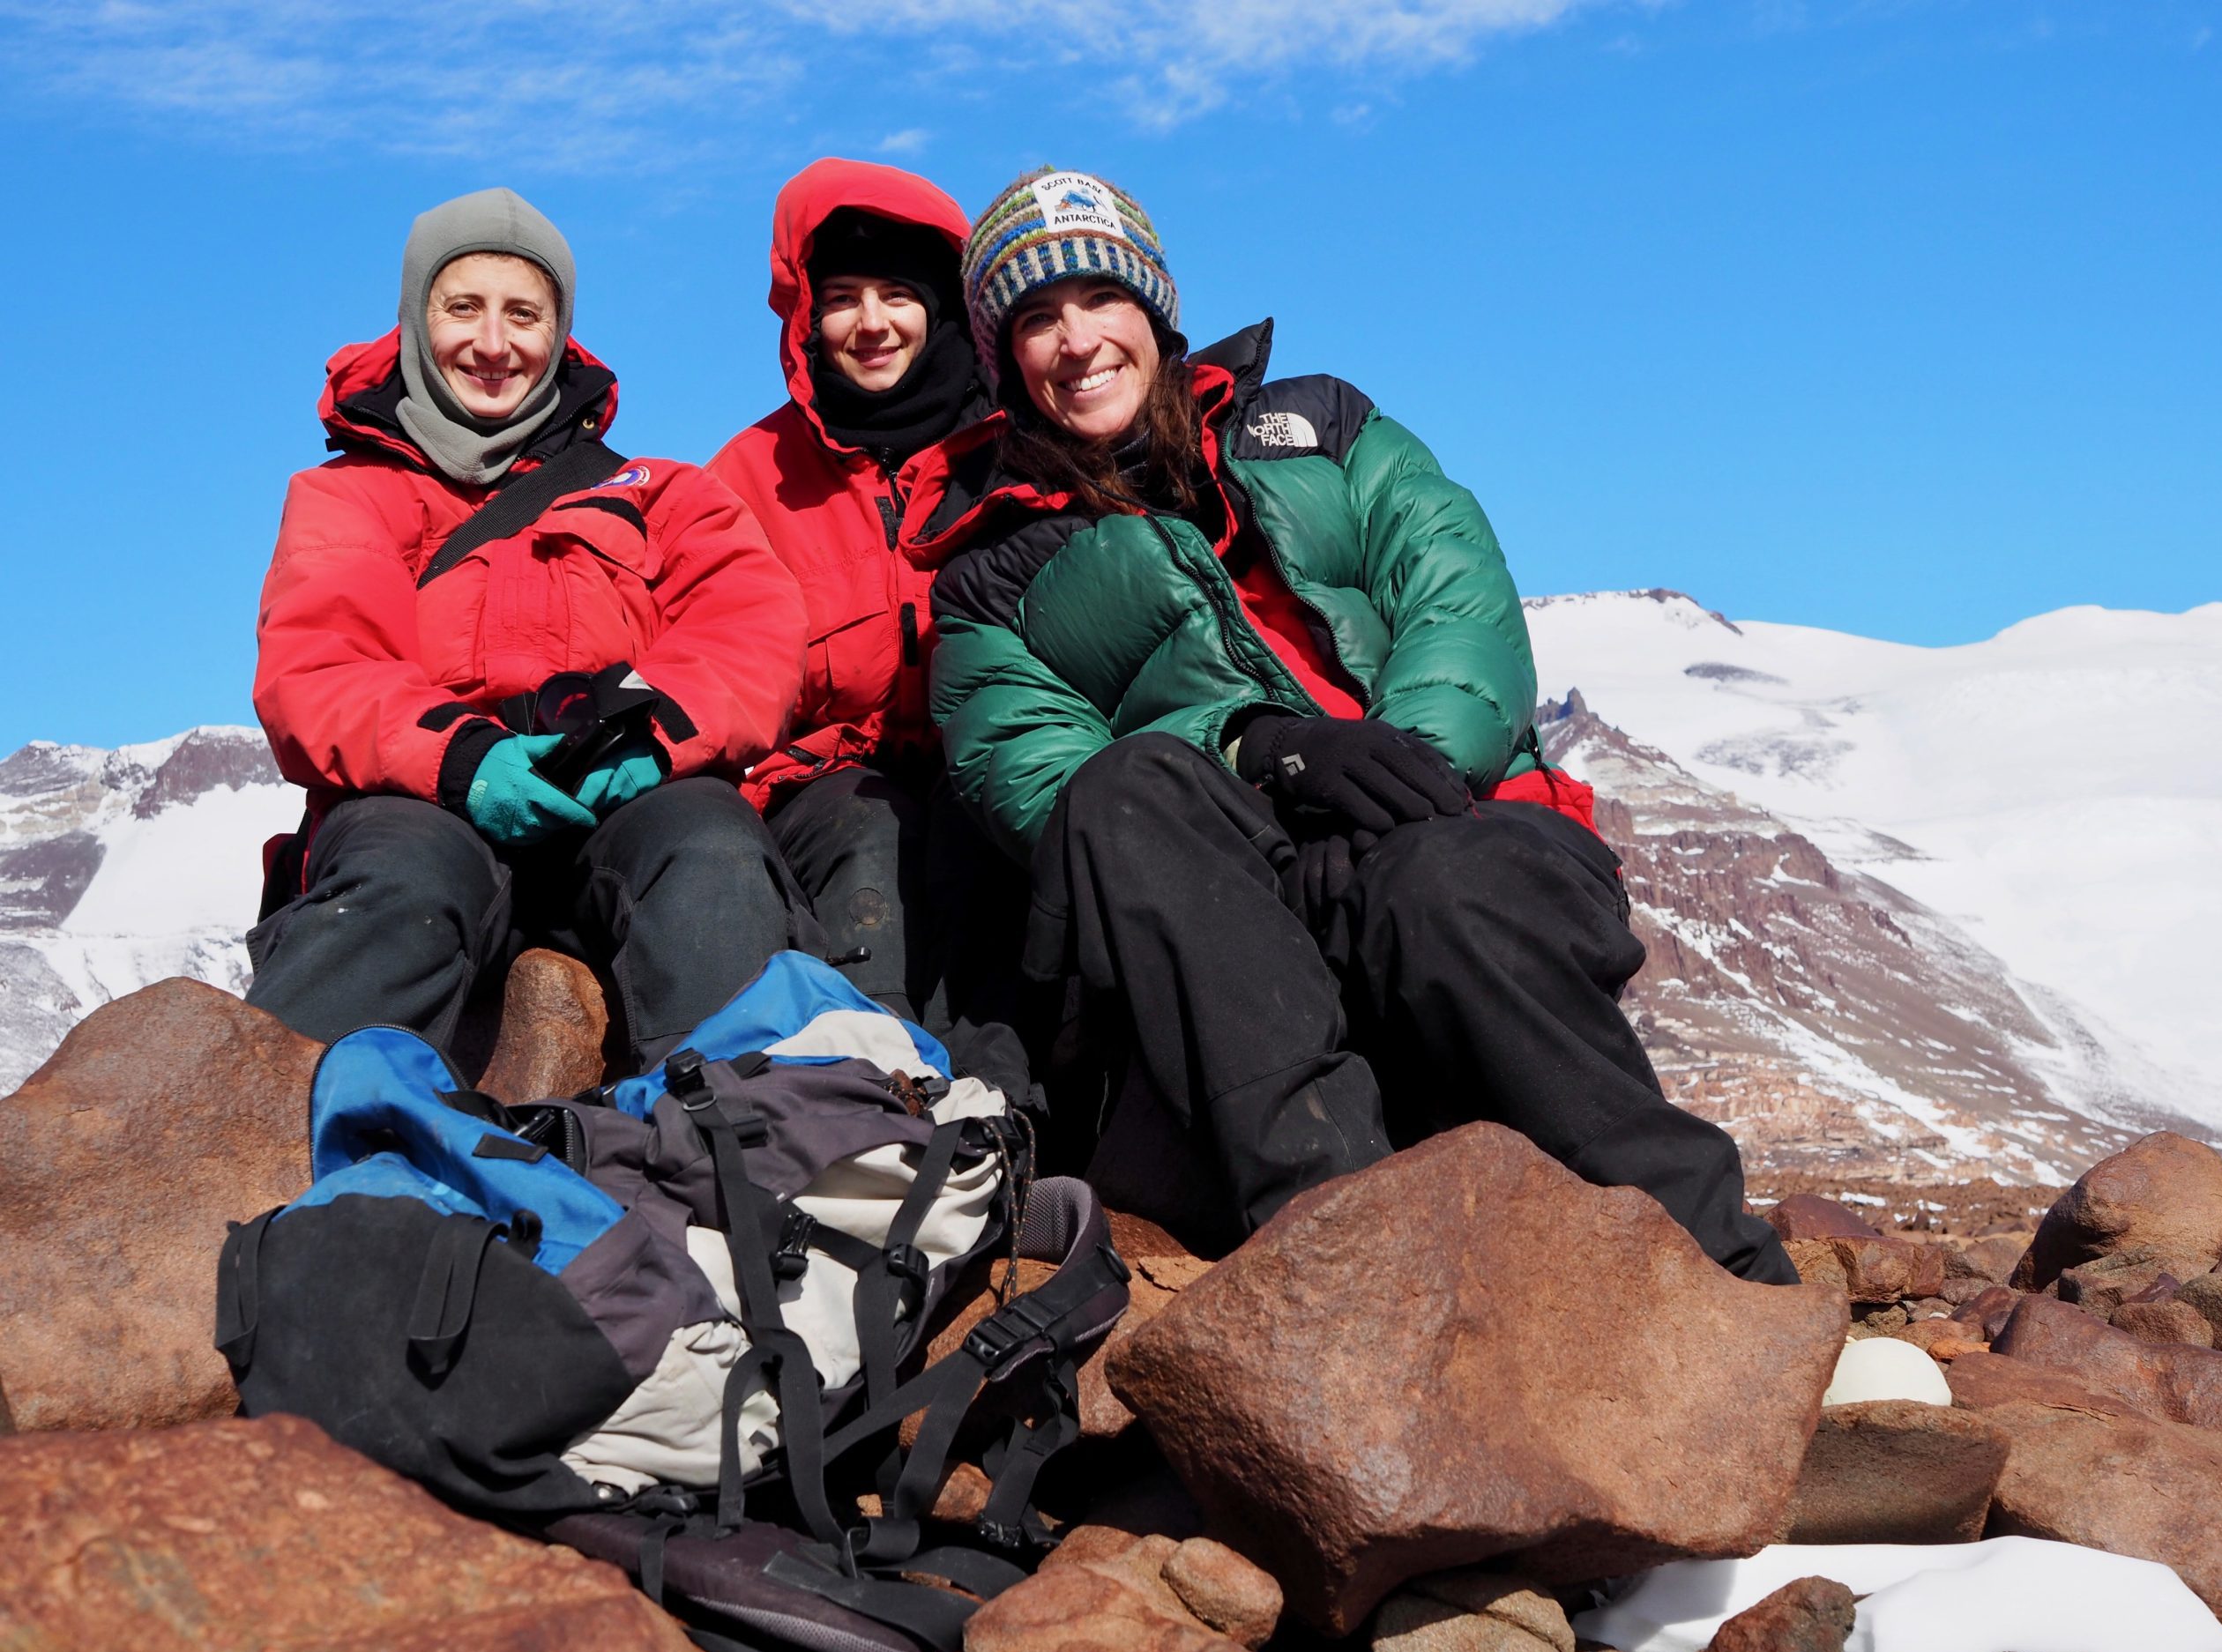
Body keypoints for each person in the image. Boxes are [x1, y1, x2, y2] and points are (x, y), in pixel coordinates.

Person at [916, 167, 1794, 1282]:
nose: (1076, 340)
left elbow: (1455, 589)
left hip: (1450, 824)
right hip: (1228, 907)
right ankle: (1349, 1260)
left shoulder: (1322, 425)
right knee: (1121, 792)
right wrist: (1262, 749)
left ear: (1155, 312)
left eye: (1100, 301)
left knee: (1444, 887)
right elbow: (1034, 779)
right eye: (1036, 319)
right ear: (1005, 360)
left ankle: (1729, 1285)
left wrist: (1412, 770)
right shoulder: (984, 578)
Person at [249, 188, 813, 1067]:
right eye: (462, 307)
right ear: (412, 318)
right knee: (399, 883)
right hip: (422, 806)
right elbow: (321, 666)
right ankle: (295, 1160)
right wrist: (466, 759)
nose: (492, 344)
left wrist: (630, 725)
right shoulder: (343, 496)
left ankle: (752, 1155)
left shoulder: (664, 493)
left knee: (712, 849)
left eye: (524, 314)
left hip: (623, 798)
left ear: (559, 334)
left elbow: (745, 631)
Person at [707, 159, 1033, 1099]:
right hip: (823, 792)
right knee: (872, 827)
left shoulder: (1014, 446)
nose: (873, 323)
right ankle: (881, 1110)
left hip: (988, 763)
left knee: (1004, 829)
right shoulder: (744, 478)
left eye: (899, 293)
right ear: (806, 318)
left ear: (942, 307)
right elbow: (722, 668)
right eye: (842, 298)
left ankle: (1019, 1116)